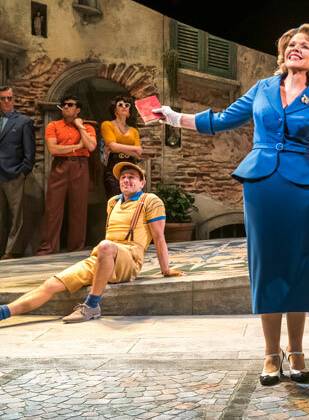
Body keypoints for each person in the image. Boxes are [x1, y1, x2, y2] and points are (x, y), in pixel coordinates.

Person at [155, 24, 309, 386]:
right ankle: (270, 353)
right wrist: (174, 118)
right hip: (261, 185)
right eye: (291, 45)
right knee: (266, 266)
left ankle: (297, 351)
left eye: (304, 46)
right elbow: (223, 120)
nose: (296, 49)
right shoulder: (262, 88)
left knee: (300, 267)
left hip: (302, 188)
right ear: (283, 53)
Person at [0, 162, 185, 325]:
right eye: (123, 177)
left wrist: (165, 270)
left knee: (105, 245)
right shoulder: (113, 202)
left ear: (142, 183)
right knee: (51, 284)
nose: (126, 180)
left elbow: (159, 237)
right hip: (102, 257)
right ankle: (5, 312)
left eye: (132, 177)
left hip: (130, 258)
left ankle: (91, 305)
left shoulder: (150, 201)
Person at [36, 95, 97, 256]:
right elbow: (53, 149)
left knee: (79, 207)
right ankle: (47, 247)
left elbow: (90, 146)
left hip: (80, 166)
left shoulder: (88, 127)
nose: (65, 107)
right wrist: (77, 146)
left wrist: (80, 127)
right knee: (52, 207)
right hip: (60, 165)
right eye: (63, 104)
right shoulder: (53, 125)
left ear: (77, 110)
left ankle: (76, 248)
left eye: (69, 105)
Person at [0, 86, 35, 260]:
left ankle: (11, 250)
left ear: (14, 100)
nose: (6, 101)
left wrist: (23, 171)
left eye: (9, 98)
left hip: (13, 173)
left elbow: (30, 150)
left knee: (16, 215)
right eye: (3, 98)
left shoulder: (23, 121)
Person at [101, 95, 142, 198]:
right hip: (113, 164)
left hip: (130, 164)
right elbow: (113, 146)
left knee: (131, 200)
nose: (124, 106)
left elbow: (139, 153)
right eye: (120, 105)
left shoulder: (133, 130)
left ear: (129, 111)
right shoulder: (107, 125)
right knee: (115, 199)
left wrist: (118, 147)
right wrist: (133, 148)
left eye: (127, 105)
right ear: (115, 110)